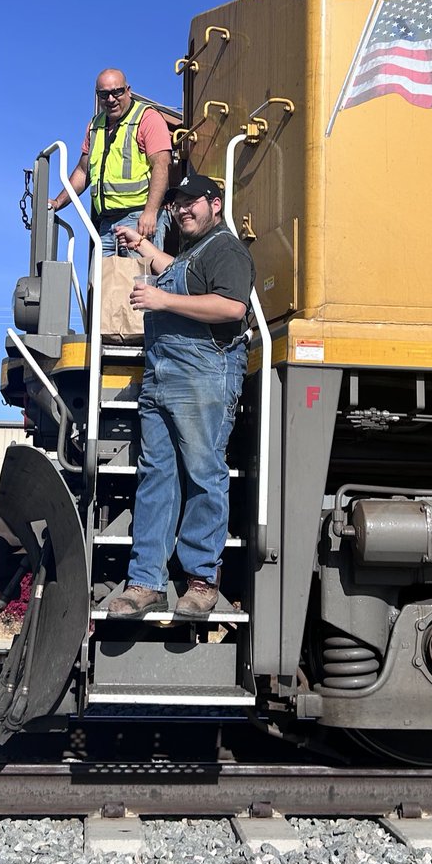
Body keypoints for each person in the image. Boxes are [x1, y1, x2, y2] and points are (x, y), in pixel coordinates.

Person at [107, 172, 255, 618]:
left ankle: (202, 581)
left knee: (203, 473)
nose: (183, 209)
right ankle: (146, 581)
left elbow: (233, 307)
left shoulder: (226, 247)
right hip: (162, 375)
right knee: (157, 476)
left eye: (193, 201)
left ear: (216, 204)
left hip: (203, 374)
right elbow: (174, 275)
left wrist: (162, 302)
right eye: (178, 203)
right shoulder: (190, 255)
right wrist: (142, 246)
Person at [48, 69, 172, 257]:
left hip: (139, 218)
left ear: (128, 90)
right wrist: (58, 202)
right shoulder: (95, 125)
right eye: (104, 94)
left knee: (138, 282)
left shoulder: (147, 118)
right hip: (106, 225)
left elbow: (162, 165)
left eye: (117, 92)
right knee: (103, 282)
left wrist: (150, 212)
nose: (111, 99)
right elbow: (83, 172)